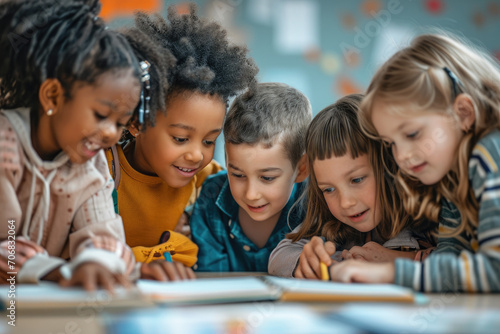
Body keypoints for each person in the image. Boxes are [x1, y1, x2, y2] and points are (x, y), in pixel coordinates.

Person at [0, 0, 193, 290]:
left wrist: (99, 262)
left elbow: (105, 235)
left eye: (120, 123)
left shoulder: (89, 161)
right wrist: (60, 271)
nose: (110, 135)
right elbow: (6, 243)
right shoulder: (6, 144)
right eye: (101, 116)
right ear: (52, 96)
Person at [332, 33, 500, 292]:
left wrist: (392, 273)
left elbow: (494, 270)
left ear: (463, 113)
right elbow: (449, 261)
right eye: (391, 143)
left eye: (412, 134)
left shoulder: (489, 154)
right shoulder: (454, 175)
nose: (402, 156)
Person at [105, 4, 258, 267]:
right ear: (136, 123)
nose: (197, 154)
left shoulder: (208, 182)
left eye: (210, 140)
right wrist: (152, 258)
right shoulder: (101, 171)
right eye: (180, 138)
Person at [268, 94, 434, 279]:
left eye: (357, 180)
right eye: (328, 189)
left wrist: (400, 260)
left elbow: (464, 263)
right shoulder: (333, 222)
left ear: (390, 165)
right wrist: (316, 263)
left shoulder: (428, 213)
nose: (345, 202)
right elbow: (279, 256)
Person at [190, 83, 311, 271]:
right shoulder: (211, 197)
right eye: (237, 174)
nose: (251, 194)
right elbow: (210, 281)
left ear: (301, 169)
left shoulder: (315, 202)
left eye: (267, 178)